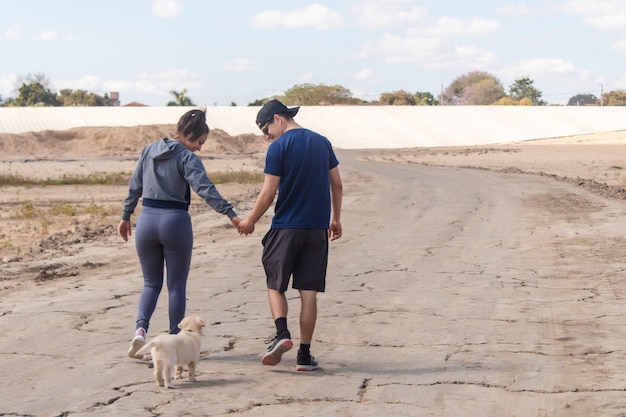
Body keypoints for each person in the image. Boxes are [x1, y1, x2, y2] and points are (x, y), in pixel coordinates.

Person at [119, 109, 240, 359]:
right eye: (199, 142)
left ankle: (140, 331)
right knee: (176, 287)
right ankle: (174, 342)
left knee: (151, 283)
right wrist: (230, 213)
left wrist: (125, 215)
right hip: (174, 221)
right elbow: (205, 189)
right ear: (187, 134)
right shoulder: (187, 158)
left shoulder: (149, 150)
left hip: (146, 221)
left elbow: (135, 185)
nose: (199, 148)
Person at [238, 99, 343, 371]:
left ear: (278, 119)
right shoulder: (322, 142)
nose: (266, 136)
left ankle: (282, 334)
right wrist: (335, 218)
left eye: (265, 129)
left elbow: (268, 193)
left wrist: (250, 220)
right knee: (309, 294)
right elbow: (337, 185)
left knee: (275, 284)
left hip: (286, 227)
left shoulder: (279, 148)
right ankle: (305, 356)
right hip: (317, 229)